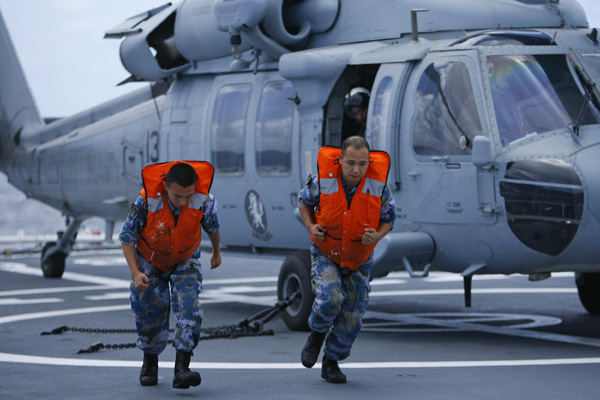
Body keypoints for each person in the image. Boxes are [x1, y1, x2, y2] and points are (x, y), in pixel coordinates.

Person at [297, 136, 396, 383]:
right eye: (350, 162)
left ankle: (331, 362)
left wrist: (377, 235)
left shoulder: (378, 186)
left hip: (359, 258)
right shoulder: (323, 181)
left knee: (352, 317)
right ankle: (316, 336)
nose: (356, 169)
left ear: (369, 162)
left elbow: (389, 219)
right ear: (340, 159)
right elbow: (303, 202)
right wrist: (311, 227)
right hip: (327, 253)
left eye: (362, 164)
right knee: (330, 298)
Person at [119, 161, 222, 390]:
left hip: (184, 260)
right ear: (166, 187)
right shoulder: (146, 201)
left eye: (188, 196)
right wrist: (136, 273)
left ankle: (182, 368)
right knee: (148, 312)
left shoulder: (204, 200)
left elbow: (212, 227)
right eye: (178, 196)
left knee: (190, 308)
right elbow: (127, 238)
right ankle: (150, 361)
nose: (184, 202)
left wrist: (216, 252)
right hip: (150, 260)